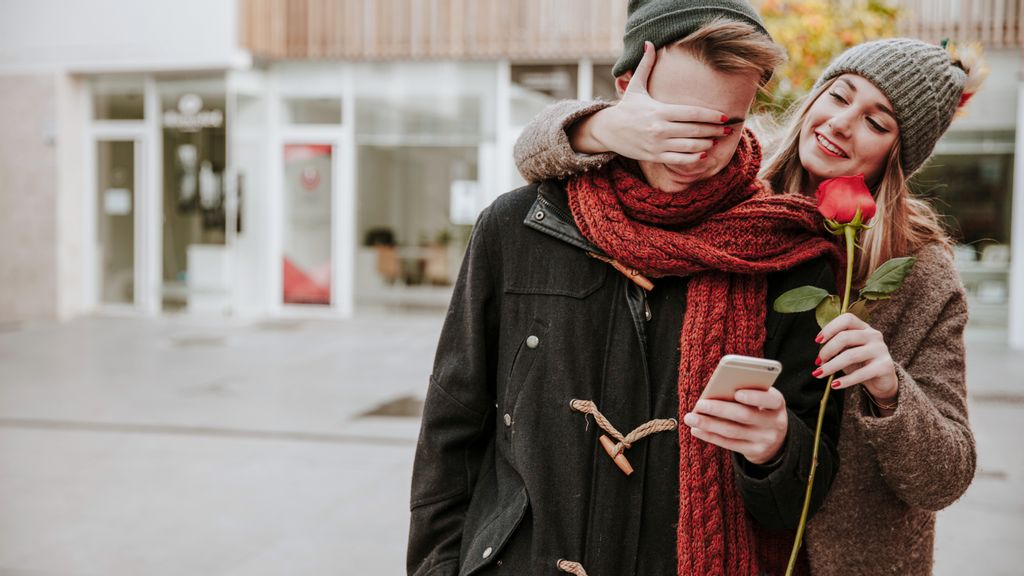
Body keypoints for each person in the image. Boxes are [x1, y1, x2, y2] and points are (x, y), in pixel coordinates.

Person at [512, 36, 982, 576]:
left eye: (877, 123)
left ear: (899, 155)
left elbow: (946, 476)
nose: (842, 123)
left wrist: (891, 390)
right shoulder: (728, 186)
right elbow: (532, 150)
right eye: (839, 95)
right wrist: (603, 126)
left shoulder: (918, 271)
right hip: (716, 536)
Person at [408, 2, 846, 575]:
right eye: (677, 122)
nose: (696, 151)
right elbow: (452, 429)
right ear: (626, 89)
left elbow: (805, 498)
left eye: (725, 127)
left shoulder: (787, 256)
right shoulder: (519, 227)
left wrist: (776, 451)